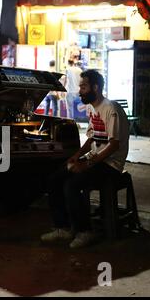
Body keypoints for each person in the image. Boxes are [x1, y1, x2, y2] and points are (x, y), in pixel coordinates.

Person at [41, 70, 130, 248]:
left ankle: (85, 231)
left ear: (95, 88)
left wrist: (86, 164)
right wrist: (76, 157)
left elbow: (114, 145)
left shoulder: (110, 108)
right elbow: (92, 138)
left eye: (83, 86)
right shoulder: (91, 107)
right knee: (54, 179)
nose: (80, 90)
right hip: (95, 158)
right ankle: (63, 228)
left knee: (72, 184)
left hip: (110, 163)